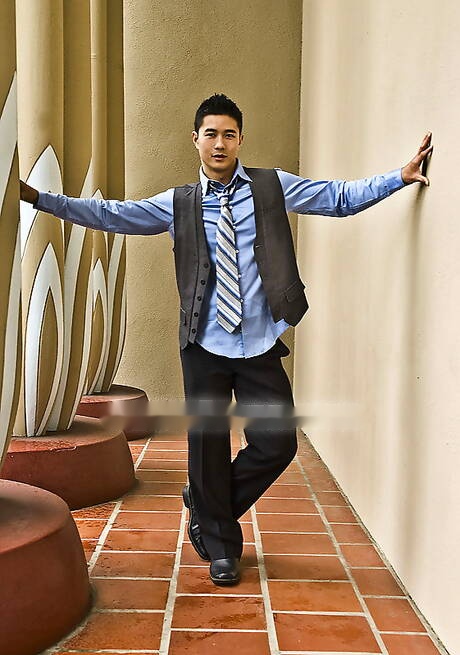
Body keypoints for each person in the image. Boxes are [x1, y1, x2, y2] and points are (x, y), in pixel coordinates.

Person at [20, 93, 433, 586]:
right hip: (204, 344)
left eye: (229, 134)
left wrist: (398, 177)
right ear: (195, 139)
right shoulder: (178, 203)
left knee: (277, 443)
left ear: (240, 140)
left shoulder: (271, 186)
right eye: (211, 134)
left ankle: (207, 504)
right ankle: (221, 545)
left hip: (259, 341)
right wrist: (39, 198)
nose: (220, 143)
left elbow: (338, 198)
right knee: (208, 447)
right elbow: (110, 215)